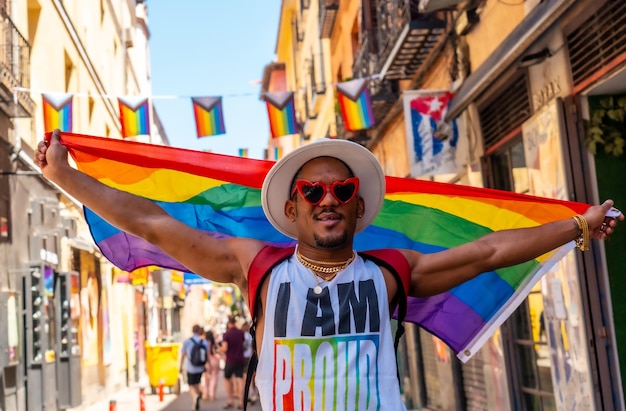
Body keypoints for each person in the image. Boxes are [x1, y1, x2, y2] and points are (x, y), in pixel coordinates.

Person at [35, 130, 622, 410]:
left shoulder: (393, 272)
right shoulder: (257, 267)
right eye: (311, 190)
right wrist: (66, 179)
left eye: (341, 189)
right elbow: (153, 223)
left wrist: (577, 226)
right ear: (292, 211)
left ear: (358, 207)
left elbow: (490, 251)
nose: (328, 198)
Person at [180, 325, 209, 410]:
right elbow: (206, 355)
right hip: (200, 367)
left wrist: (180, 366)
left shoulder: (187, 342)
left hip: (191, 367)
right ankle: (199, 393)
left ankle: (195, 395)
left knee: (191, 384)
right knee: (198, 382)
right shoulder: (204, 342)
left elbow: (183, 355)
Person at [221, 317, 246, 409]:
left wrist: (220, 350)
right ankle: (241, 401)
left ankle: (230, 400)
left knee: (227, 379)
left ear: (228, 324)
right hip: (240, 359)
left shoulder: (226, 334)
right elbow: (243, 345)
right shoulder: (240, 333)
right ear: (235, 323)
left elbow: (224, 348)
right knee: (239, 379)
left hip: (230, 360)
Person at [202, 328, 221, 402]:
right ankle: (212, 394)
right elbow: (218, 351)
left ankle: (205, 394)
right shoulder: (214, 342)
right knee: (214, 378)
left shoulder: (204, 342)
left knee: (206, 379)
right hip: (215, 361)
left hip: (207, 362)